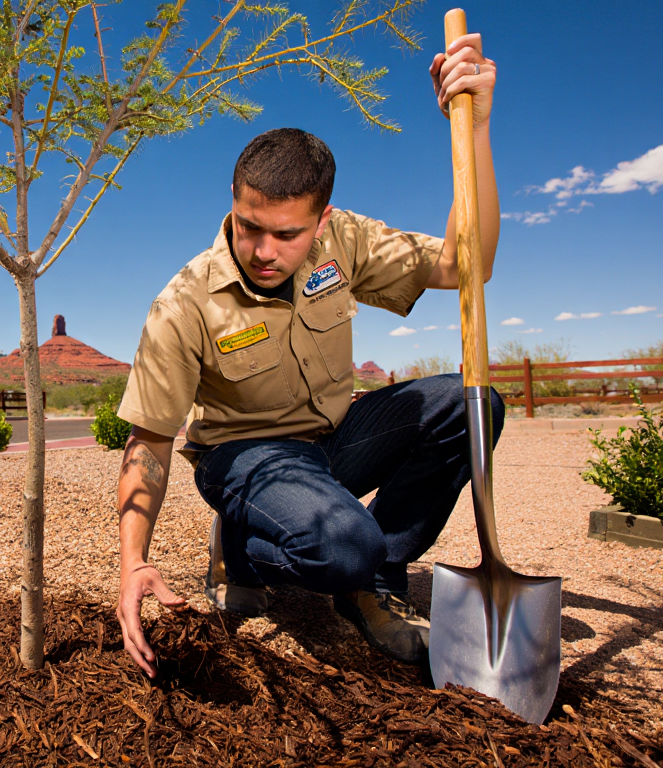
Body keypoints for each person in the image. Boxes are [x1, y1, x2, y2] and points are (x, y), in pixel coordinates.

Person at [114, 34, 503, 679]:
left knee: (472, 405)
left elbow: (469, 263)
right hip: (245, 457)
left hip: (334, 435)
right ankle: (242, 548)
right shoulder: (184, 303)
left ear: (321, 222)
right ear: (233, 206)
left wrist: (477, 124)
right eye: (248, 226)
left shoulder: (344, 240)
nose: (263, 250)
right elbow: (150, 441)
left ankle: (374, 578)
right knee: (343, 543)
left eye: (287, 234)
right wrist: (133, 561)